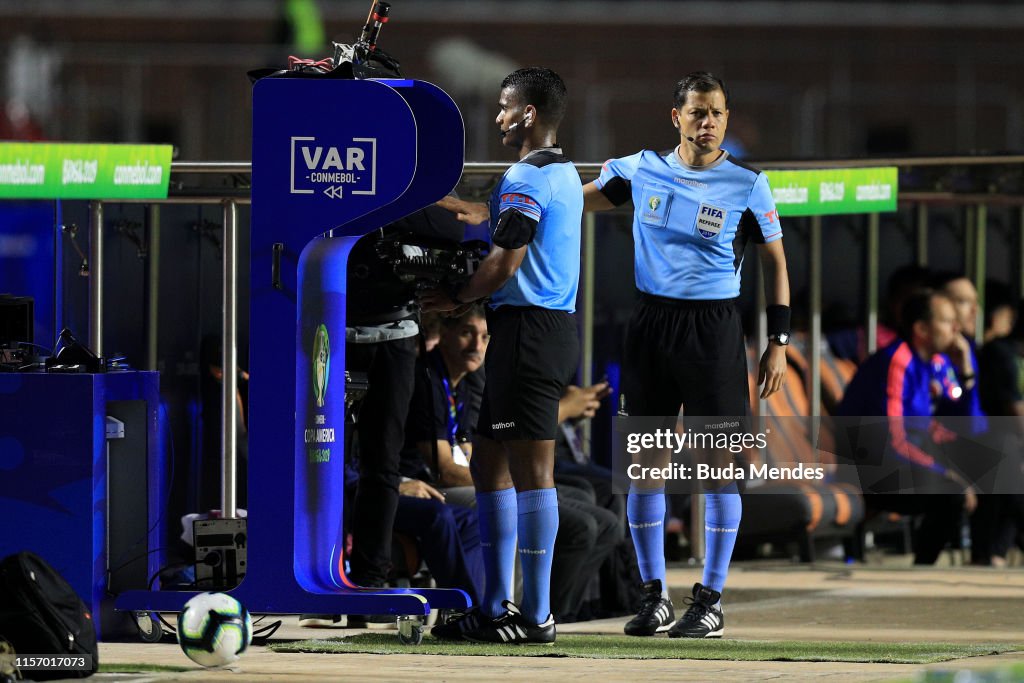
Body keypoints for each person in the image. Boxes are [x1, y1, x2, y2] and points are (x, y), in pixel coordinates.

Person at [581, 71, 790, 639]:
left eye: (717, 113)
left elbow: (776, 263)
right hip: (650, 325)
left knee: (719, 471)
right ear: (676, 117)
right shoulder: (640, 168)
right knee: (645, 467)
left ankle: (711, 600)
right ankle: (653, 597)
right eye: (697, 112)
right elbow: (575, 203)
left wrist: (778, 343)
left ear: (727, 118)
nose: (708, 123)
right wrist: (521, 206)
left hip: (714, 332)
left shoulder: (748, 185)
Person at [421, 66, 582, 645]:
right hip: (539, 330)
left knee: (534, 472)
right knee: (490, 463)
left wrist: (455, 298)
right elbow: (517, 223)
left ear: (528, 114)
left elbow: (505, 263)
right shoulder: (560, 170)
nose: (497, 117)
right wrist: (475, 209)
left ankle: (534, 616)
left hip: (528, 332)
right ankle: (496, 605)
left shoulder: (524, 176)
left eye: (504, 107)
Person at [837, 289, 978, 564]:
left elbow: (966, 424)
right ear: (922, 329)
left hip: (903, 460)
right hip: (870, 466)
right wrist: (946, 472)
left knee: (992, 462)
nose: (956, 328)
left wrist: (967, 374)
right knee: (951, 492)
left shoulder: (937, 362)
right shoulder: (897, 360)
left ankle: (986, 557)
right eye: (948, 321)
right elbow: (893, 440)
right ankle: (923, 568)